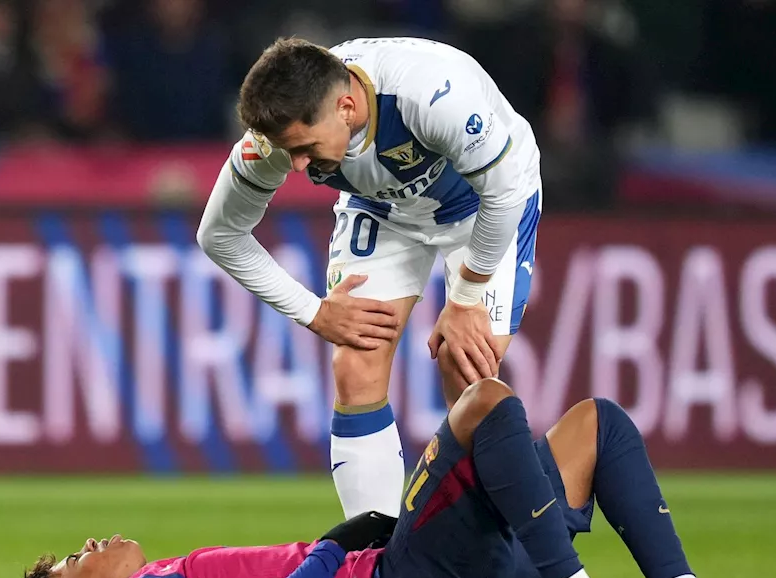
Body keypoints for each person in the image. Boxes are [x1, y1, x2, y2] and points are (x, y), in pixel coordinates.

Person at [20, 378, 776, 578]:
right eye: (71, 561)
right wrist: (332, 551)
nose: (85, 545)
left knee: (595, 425)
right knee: (485, 403)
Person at [198, 36, 545, 521]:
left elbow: (504, 192)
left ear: (345, 107)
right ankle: (376, 566)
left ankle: (483, 564)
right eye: (288, 152)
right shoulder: (278, 136)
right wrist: (313, 311)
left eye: (304, 149)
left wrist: (464, 298)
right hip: (385, 210)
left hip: (483, 204)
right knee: (355, 363)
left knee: (466, 368)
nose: (296, 166)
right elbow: (220, 234)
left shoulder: (431, 93)